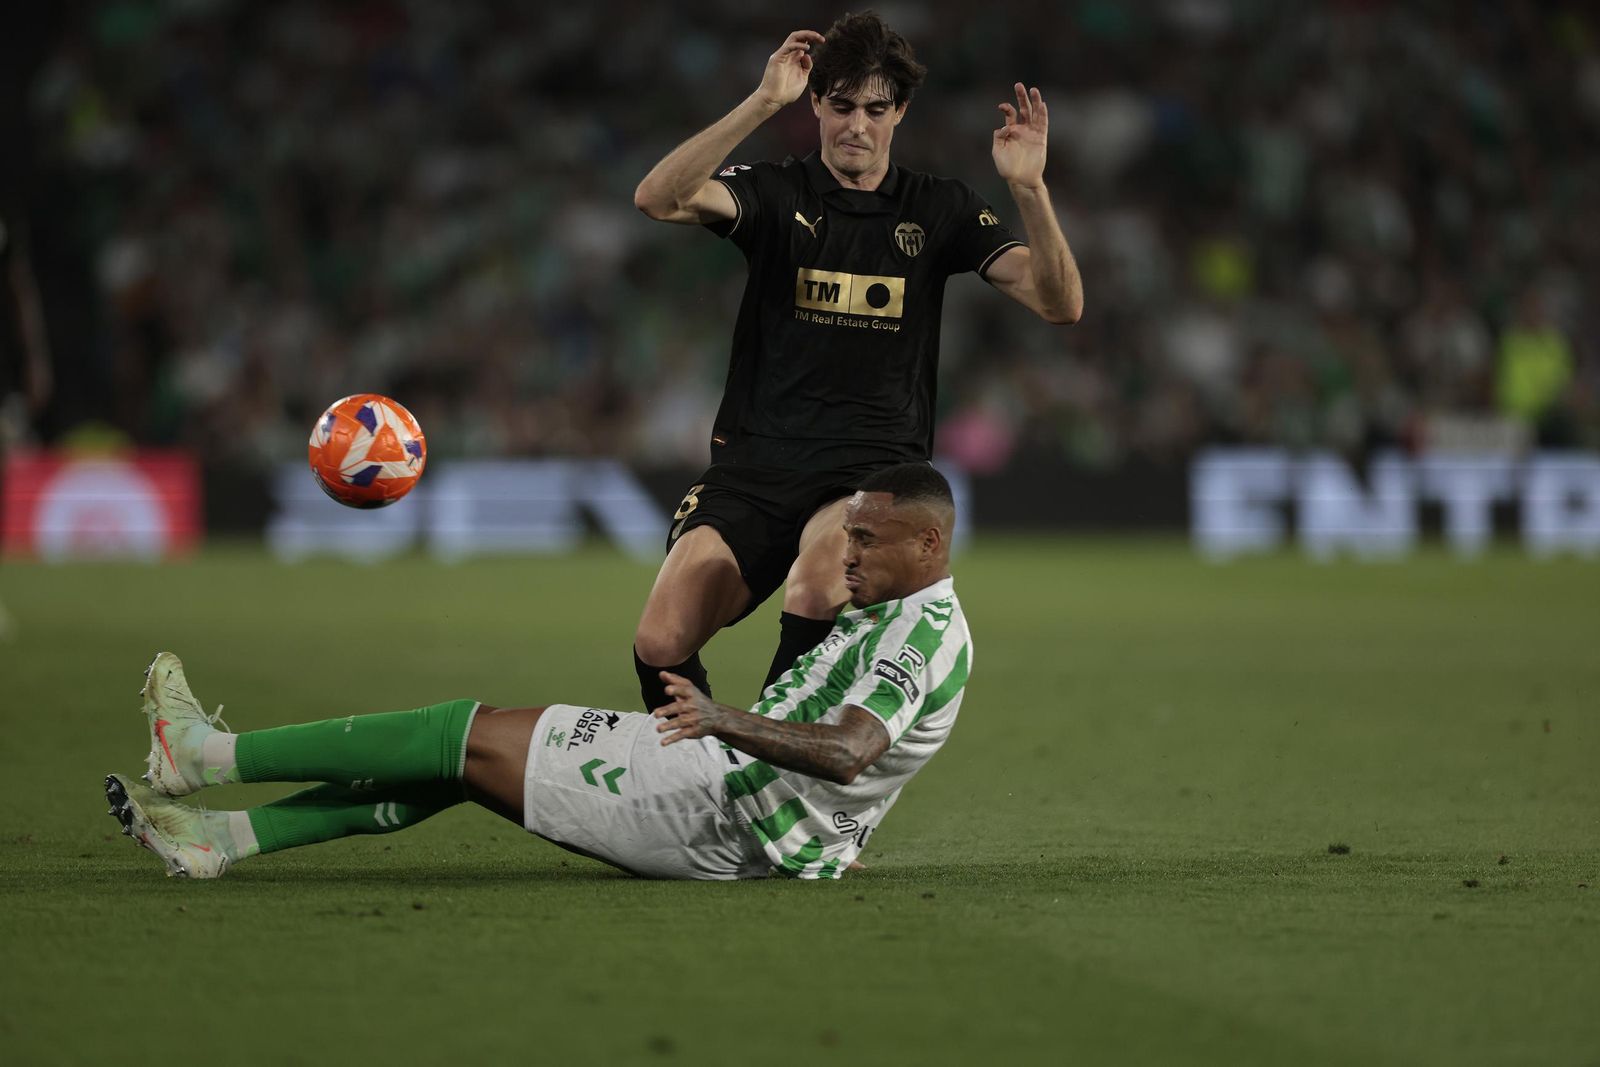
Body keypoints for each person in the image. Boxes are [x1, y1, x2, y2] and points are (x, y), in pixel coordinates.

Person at [107, 463, 972, 881]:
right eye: (848, 533)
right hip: (741, 794)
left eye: (865, 539)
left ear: (929, 544)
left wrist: (722, 719)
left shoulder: (919, 636)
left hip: (722, 804)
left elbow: (854, 749)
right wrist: (834, 835)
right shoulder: (896, 606)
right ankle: (221, 839)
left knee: (460, 731)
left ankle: (202, 757)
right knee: (469, 768)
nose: (844, 553)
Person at [628, 13, 1080, 713]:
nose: (856, 126)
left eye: (874, 108)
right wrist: (763, 101)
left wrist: (1030, 189)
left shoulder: (940, 209)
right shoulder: (779, 193)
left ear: (900, 111)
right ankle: (688, 780)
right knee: (659, 637)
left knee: (815, 584)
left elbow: (1060, 303)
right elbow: (658, 197)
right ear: (816, 105)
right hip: (757, 465)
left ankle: (773, 779)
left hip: (868, 471)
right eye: (839, 105)